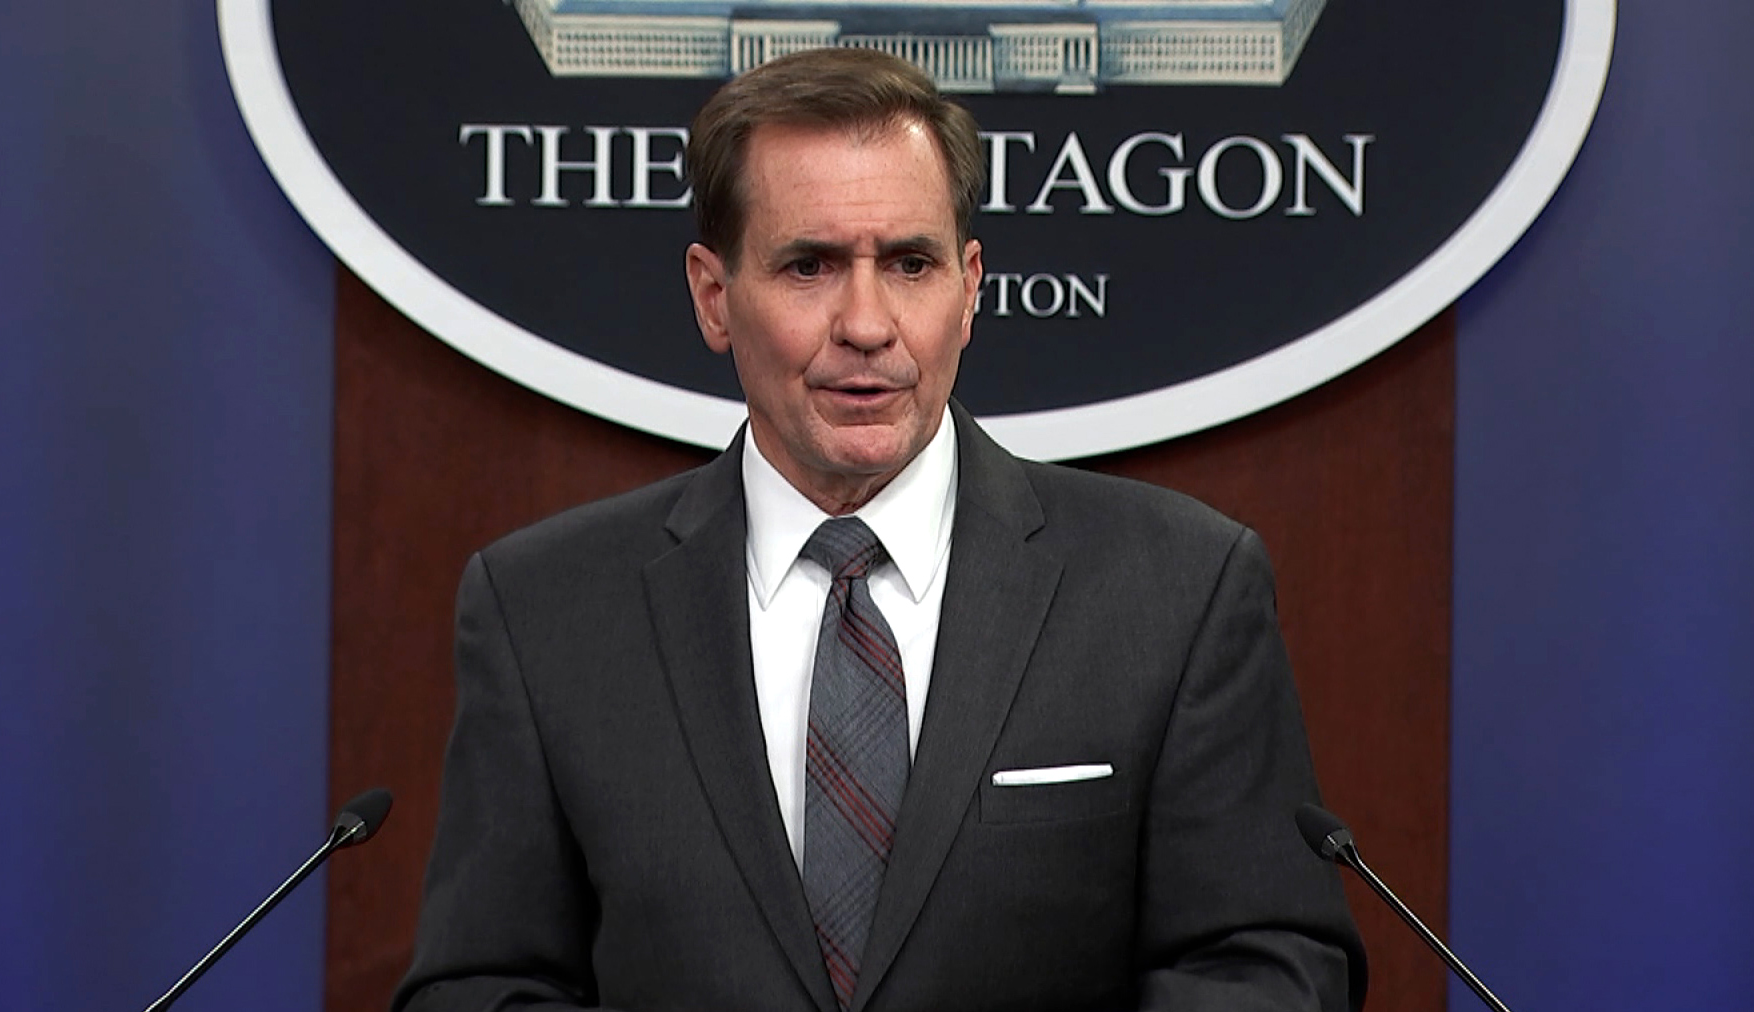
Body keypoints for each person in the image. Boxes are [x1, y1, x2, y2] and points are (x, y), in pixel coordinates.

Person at [394, 47, 1365, 1012]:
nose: (867, 322)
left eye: (909, 264)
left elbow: (1268, 965)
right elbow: (482, 982)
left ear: (969, 286)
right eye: (809, 266)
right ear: (713, 294)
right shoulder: (546, 607)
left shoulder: (1176, 587)